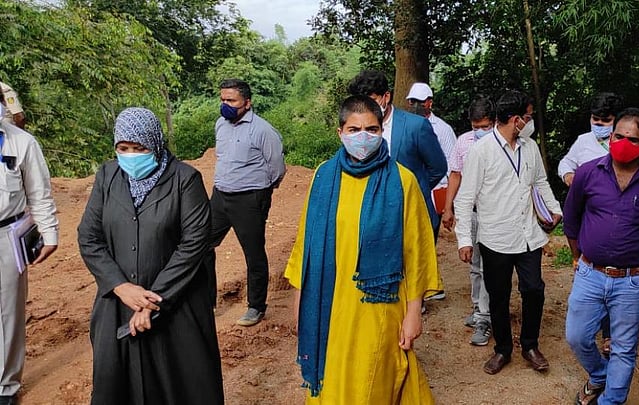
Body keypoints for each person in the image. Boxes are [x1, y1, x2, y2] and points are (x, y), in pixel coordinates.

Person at [283, 95, 443, 404]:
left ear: (382, 131)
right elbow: (307, 244)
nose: (363, 137)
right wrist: (301, 300)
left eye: (372, 129)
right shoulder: (323, 177)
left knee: (373, 381)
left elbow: (417, 253)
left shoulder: (403, 181)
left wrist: (414, 313)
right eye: (354, 130)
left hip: (378, 306)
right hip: (329, 303)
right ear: (340, 132)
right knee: (331, 381)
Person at [77, 107, 224, 404]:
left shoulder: (185, 179)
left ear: (155, 143)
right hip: (118, 303)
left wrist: (152, 301)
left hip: (177, 303)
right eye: (123, 148)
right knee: (117, 386)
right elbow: (89, 237)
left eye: (139, 148)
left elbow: (194, 244)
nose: (130, 156)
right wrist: (121, 287)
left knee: (182, 384)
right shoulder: (107, 176)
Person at [563, 108, 639, 405]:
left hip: (634, 280)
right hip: (590, 272)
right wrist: (577, 256)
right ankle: (600, 374)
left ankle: (611, 400)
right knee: (577, 336)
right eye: (618, 136)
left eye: (633, 139)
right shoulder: (588, 172)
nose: (623, 143)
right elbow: (572, 218)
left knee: (623, 348)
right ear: (611, 136)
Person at [454, 90, 562, 375]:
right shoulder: (481, 151)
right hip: (495, 238)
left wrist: (554, 209)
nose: (530, 122)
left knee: (534, 290)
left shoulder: (530, 147)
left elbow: (540, 182)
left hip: (528, 236)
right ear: (516, 120)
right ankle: (502, 349)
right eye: (528, 117)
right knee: (498, 295)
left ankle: (530, 345)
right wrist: (464, 239)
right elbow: (465, 198)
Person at [205, 78, 285, 326]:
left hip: (249, 199)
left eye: (231, 100)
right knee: (201, 244)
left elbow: (277, 167)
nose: (225, 105)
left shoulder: (262, 130)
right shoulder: (221, 124)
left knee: (253, 253)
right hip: (220, 196)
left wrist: (262, 192)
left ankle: (256, 307)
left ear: (247, 103)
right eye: (223, 99)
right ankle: (206, 302)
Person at [0, 96, 58, 405]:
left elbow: (40, 192)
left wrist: (49, 234)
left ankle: (5, 386)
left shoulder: (22, 142)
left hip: (6, 234)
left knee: (8, 311)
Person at [348, 71, 447, 240]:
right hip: (373, 220)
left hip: (413, 217)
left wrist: (411, 188)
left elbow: (438, 168)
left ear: (386, 97)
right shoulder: (355, 129)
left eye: (371, 101)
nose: (366, 109)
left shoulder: (416, 126)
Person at [441, 96, 495, 346]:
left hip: (493, 213)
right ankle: (478, 307)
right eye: (476, 127)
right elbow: (455, 175)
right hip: (470, 211)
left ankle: (485, 317)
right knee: (474, 264)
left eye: (485, 126)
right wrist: (448, 208)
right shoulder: (464, 142)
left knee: (487, 267)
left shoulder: (501, 143)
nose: (481, 131)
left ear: (494, 122)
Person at [557, 93, 639, 186]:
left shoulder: (634, 141)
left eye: (606, 120)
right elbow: (566, 163)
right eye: (595, 119)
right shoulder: (583, 140)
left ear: (618, 120)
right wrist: (568, 175)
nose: (599, 123)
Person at [407, 82, 456, 217]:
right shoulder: (404, 125)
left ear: (429, 102)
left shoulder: (442, 129)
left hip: (436, 191)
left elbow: (452, 164)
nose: (416, 105)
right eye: (413, 101)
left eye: (421, 101)